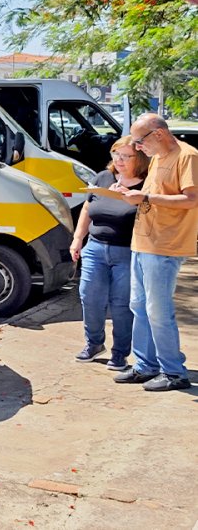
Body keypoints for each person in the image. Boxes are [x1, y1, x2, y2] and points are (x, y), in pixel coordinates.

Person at [114, 114, 198, 391]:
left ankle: (174, 372)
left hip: (165, 246)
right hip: (143, 243)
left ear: (158, 134)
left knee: (158, 311)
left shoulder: (187, 156)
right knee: (139, 306)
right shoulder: (159, 157)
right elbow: (151, 193)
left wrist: (146, 198)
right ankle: (145, 365)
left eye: (140, 141)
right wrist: (127, 192)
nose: (138, 148)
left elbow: (191, 199)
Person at [70, 136, 149, 370]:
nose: (120, 160)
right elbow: (87, 206)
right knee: (90, 297)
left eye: (126, 156)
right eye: (116, 154)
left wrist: (130, 197)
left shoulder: (147, 184)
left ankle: (120, 353)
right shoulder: (103, 177)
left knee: (121, 304)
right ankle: (93, 343)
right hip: (95, 247)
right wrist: (77, 239)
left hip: (127, 250)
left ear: (140, 158)